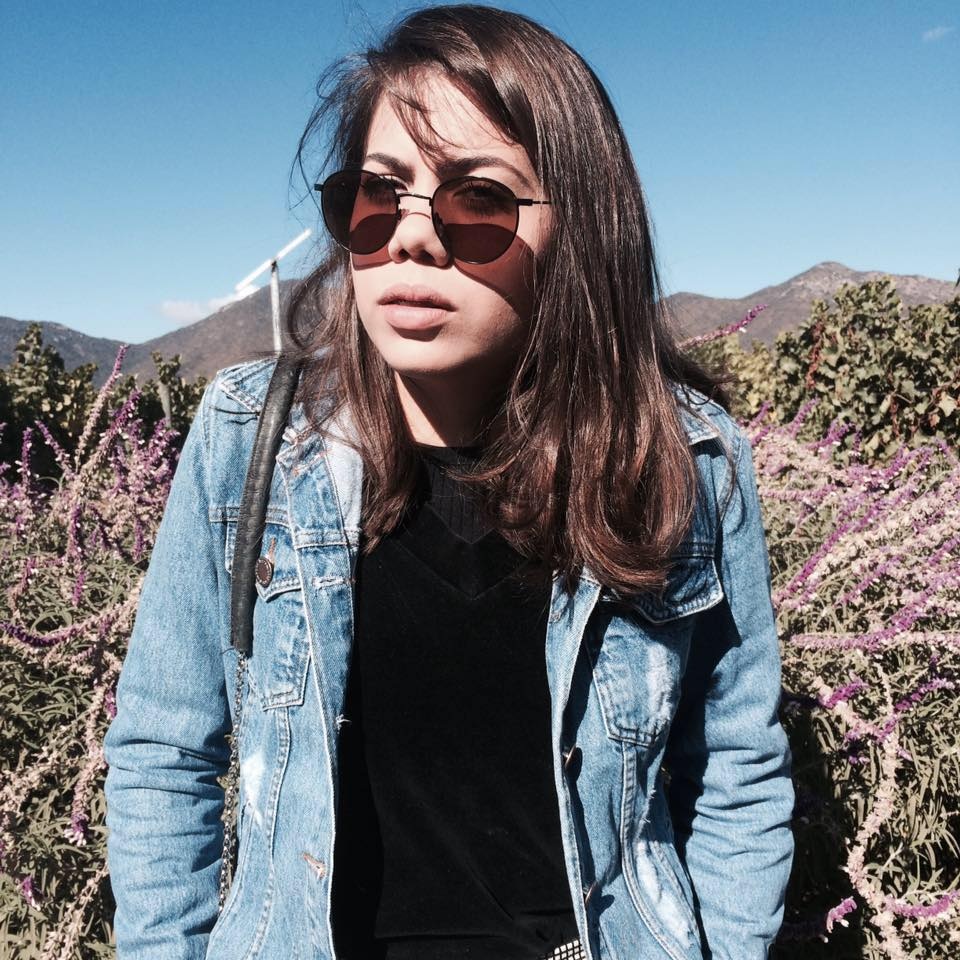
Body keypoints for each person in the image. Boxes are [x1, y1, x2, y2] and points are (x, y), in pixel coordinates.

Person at [103, 5, 795, 959]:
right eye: (376, 196)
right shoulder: (247, 435)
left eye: (478, 201)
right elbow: (164, 753)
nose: (412, 240)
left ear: (579, 228)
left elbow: (737, 774)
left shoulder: (683, 458)